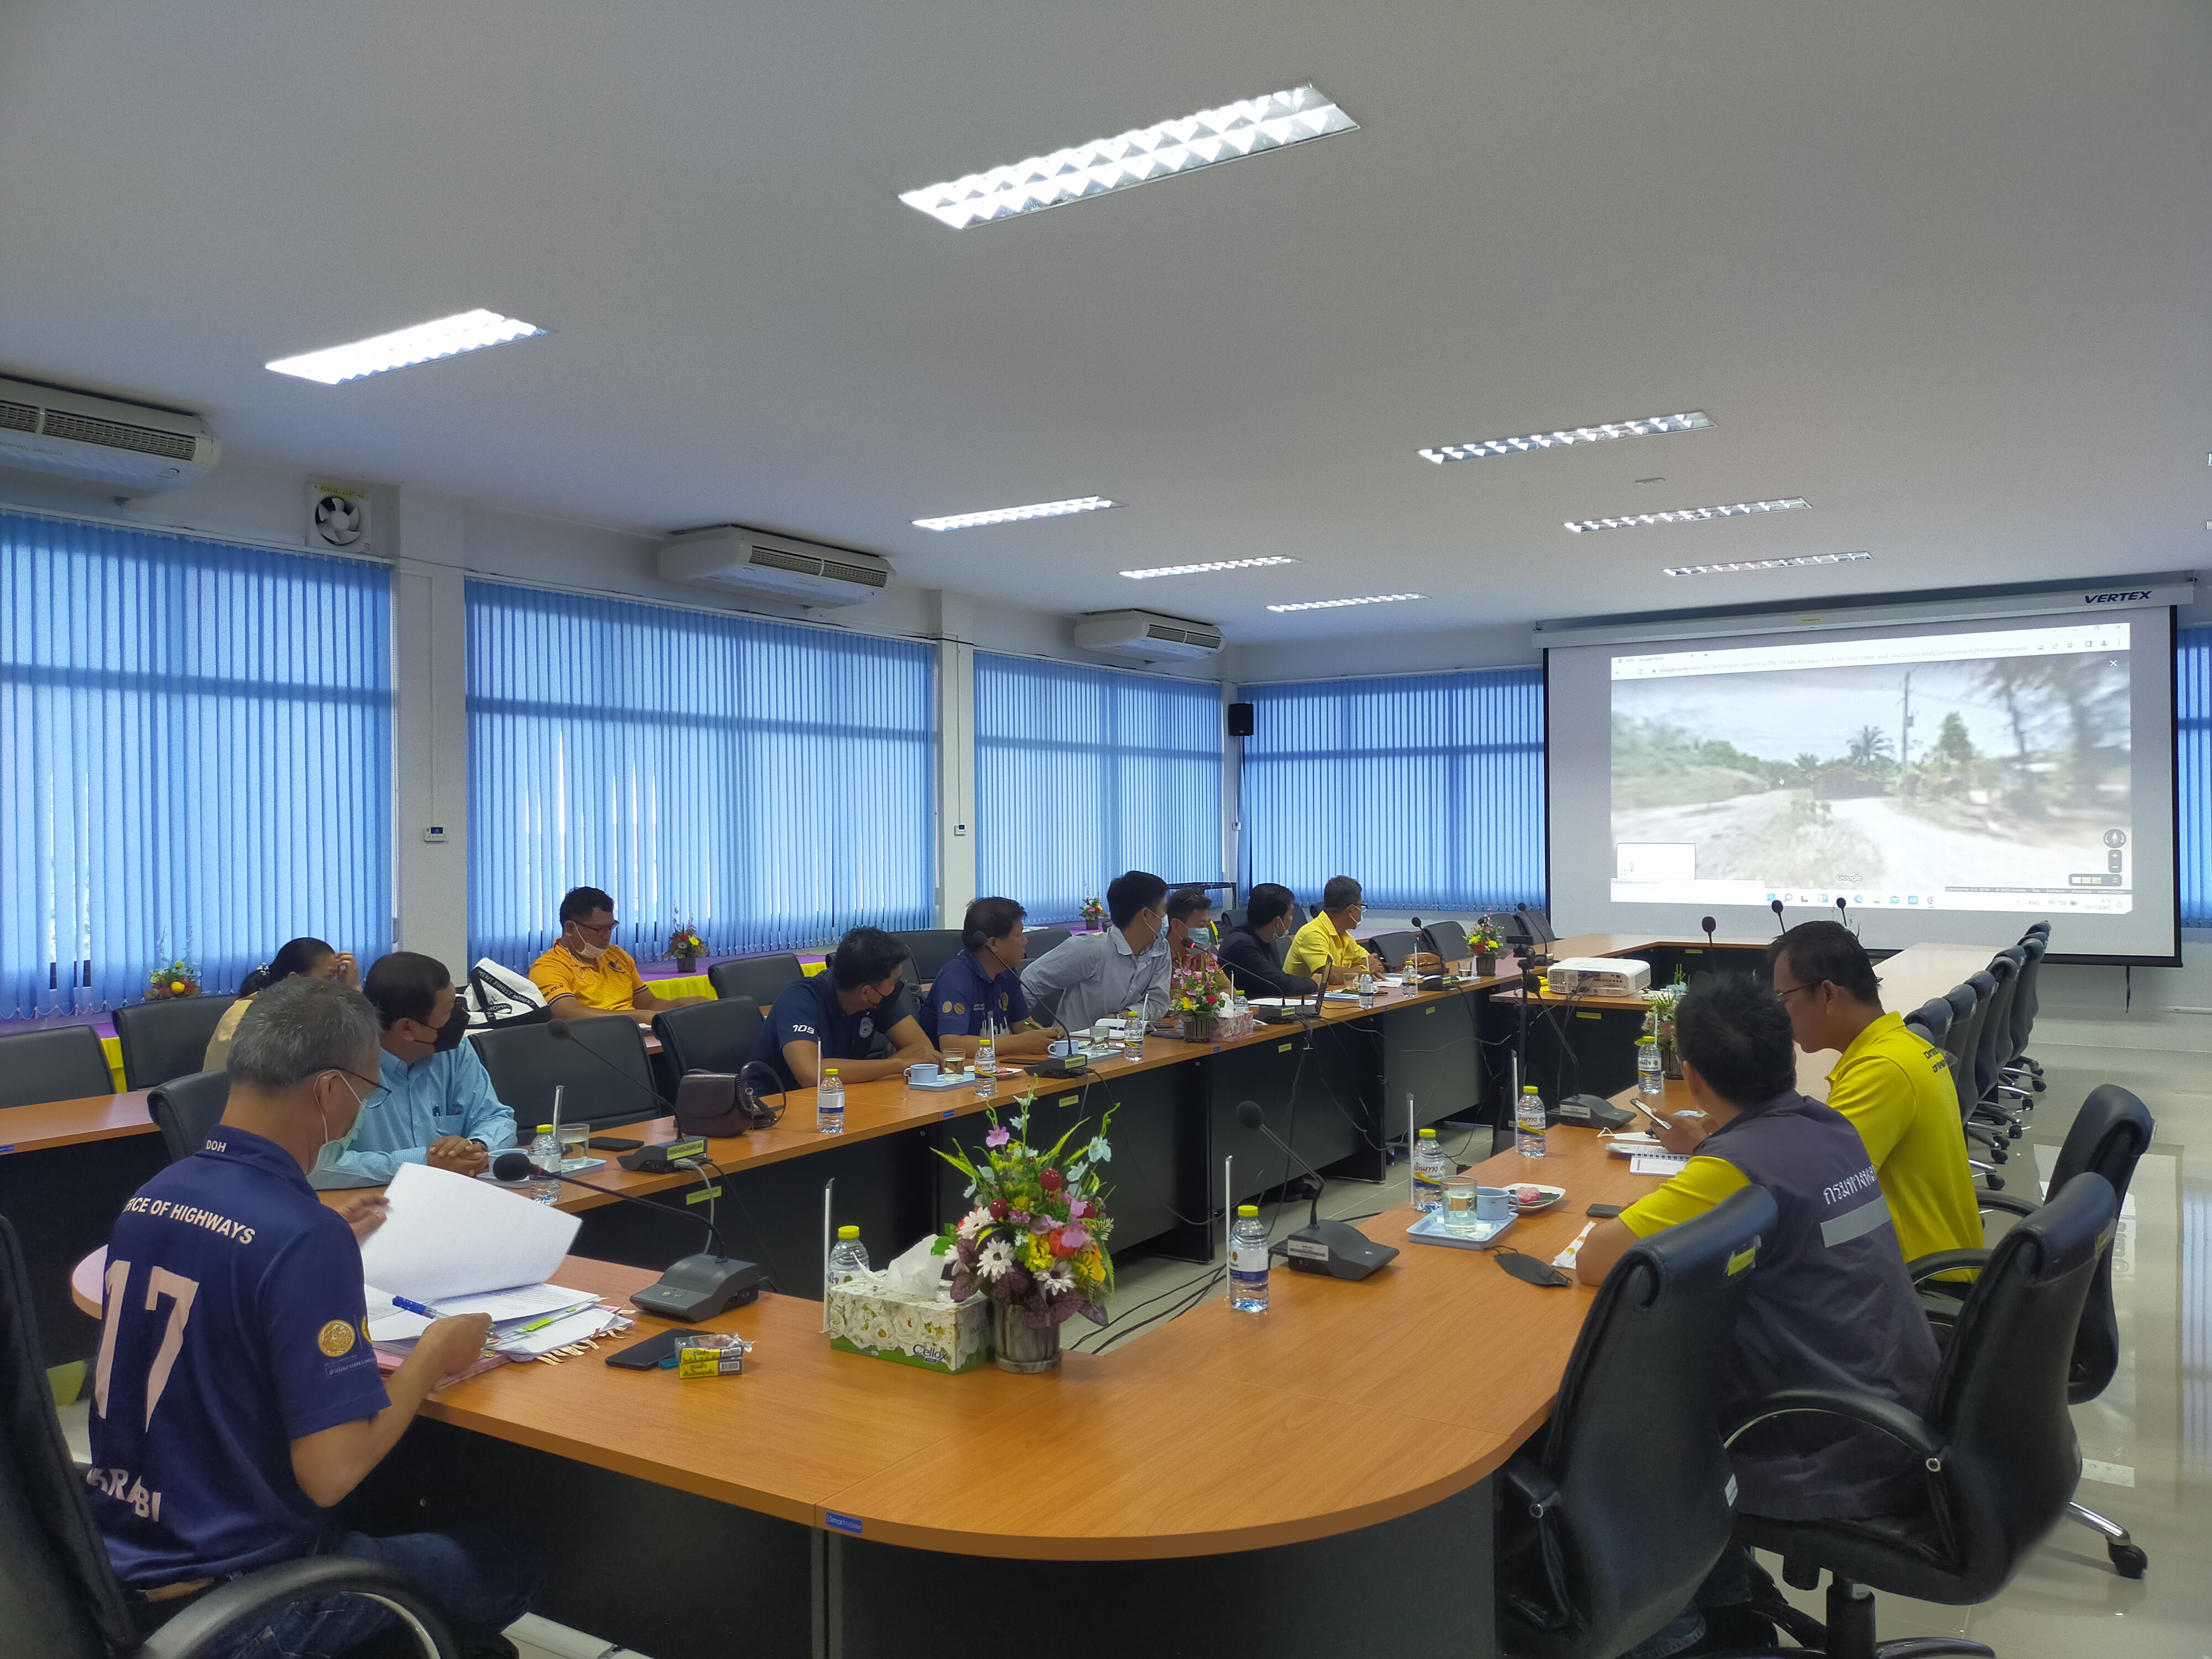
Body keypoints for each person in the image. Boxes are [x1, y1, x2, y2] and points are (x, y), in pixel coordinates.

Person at [89, 976, 539, 1658]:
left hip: (123, 1569)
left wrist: (326, 1246)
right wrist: (432, 1356)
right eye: (367, 1091)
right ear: (329, 1091)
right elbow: (331, 1473)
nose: (361, 1109)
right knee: (506, 1562)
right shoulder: (301, 1235)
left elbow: (228, 1283)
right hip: (246, 1600)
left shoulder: (153, 1195)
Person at [1576, 973, 1939, 1658]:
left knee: (1616, 1438)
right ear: (1788, 1055)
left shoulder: (1737, 1169)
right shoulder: (1829, 1127)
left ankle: (1674, 1634)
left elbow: (1598, 1261)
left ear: (1692, 1076)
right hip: (1898, 1405)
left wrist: (1712, 1157)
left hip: (1828, 1449)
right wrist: (1715, 1143)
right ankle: (1728, 1605)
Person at [1656, 921, 1983, 1274]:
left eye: (1783, 998)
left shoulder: (1883, 1071)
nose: (1779, 1013)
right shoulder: (1899, 1046)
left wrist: (1702, 1144)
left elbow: (1806, 1183)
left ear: (1827, 994)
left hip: (1920, 1277)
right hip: (1916, 1258)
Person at [309, 952, 520, 1188]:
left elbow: (496, 1117)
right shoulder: (339, 1068)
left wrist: (477, 1146)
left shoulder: (456, 1051)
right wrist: (422, 1162)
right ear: (408, 1028)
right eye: (449, 1010)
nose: (460, 1017)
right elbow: (313, 1166)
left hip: (455, 1194)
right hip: (373, 1203)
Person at [749, 925, 938, 1089]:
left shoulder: (878, 997)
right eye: (895, 982)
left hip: (841, 1095)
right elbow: (811, 1073)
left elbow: (922, 1048)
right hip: (775, 1106)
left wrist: (873, 1072)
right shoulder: (799, 1000)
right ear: (866, 992)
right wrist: (898, 1065)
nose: (899, 987)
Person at [1019, 870, 1173, 1032]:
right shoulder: (1091, 949)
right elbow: (1031, 979)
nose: (1166, 916)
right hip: (1077, 1044)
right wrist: (1024, 1028)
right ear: (1146, 915)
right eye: (1164, 910)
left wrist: (1121, 1017)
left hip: (1128, 1042)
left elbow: (1158, 1002)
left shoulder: (1160, 948)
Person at [529, 886, 708, 1024]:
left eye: (611, 927)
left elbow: (648, 1005)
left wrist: (682, 1005)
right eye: (599, 929)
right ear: (570, 929)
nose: (607, 935)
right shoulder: (548, 967)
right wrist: (639, 1017)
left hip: (637, 1037)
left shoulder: (617, 956)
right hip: (594, 1046)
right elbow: (570, 1014)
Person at [922, 898, 1067, 1059]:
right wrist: (1019, 1043)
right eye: (1019, 935)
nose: (1025, 942)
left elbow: (1023, 1023)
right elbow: (952, 1045)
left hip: (996, 1067)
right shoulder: (956, 979)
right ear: (993, 944)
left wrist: (1046, 1035)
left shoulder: (1006, 973)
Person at [203, 937, 358, 1071]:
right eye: (329, 977)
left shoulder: (299, 1010)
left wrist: (353, 990)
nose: (334, 986)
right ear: (295, 980)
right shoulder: (245, 1019)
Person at [1217, 883, 1321, 1000]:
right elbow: (1280, 984)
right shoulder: (1240, 945)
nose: (1292, 919)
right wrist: (1314, 983)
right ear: (1278, 921)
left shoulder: (1265, 938)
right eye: (1291, 915)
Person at [1282, 875, 1384, 984]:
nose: (1361, 911)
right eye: (1361, 907)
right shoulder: (1313, 934)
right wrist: (1364, 969)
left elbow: (1377, 966)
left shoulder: (1344, 936)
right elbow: (1330, 977)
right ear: (1351, 910)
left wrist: (1367, 968)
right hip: (1303, 994)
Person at [1165, 886, 1217, 970]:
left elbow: (1221, 979)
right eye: (1200, 926)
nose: (1205, 932)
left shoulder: (1200, 955)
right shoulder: (1158, 960)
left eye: (1207, 926)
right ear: (1176, 925)